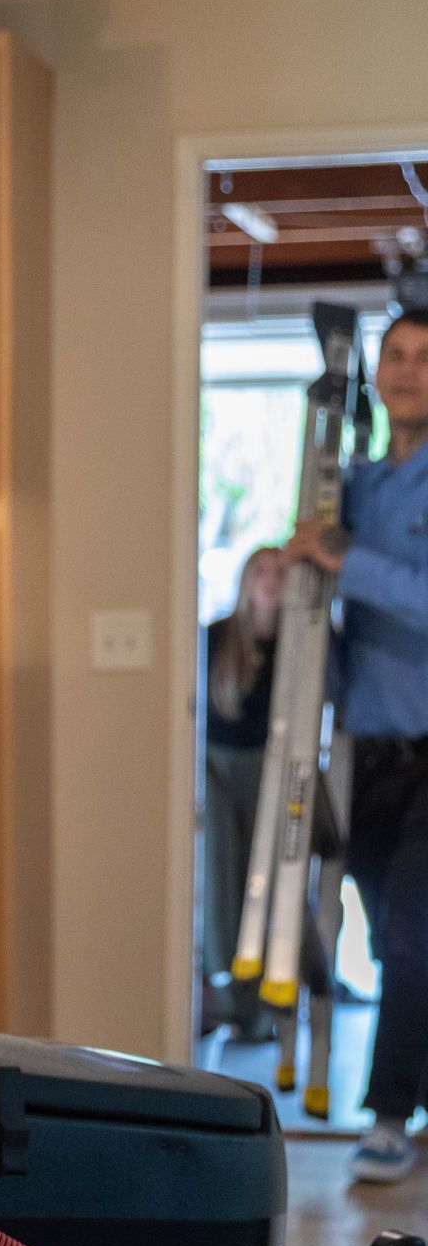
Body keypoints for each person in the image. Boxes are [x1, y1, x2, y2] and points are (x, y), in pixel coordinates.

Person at [285, 307, 428, 1182]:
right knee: (390, 943)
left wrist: (347, 559)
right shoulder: (361, 488)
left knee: (412, 933)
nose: (409, 369)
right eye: (397, 356)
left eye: (425, 357)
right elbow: (342, 622)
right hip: (369, 750)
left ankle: (386, 1114)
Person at [201, 545, 286, 1042]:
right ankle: (224, 1000)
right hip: (216, 767)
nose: (271, 580)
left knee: (266, 889)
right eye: (262, 570)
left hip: (267, 769)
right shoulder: (216, 639)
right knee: (220, 883)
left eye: (280, 572)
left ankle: (261, 1012)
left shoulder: (301, 647)